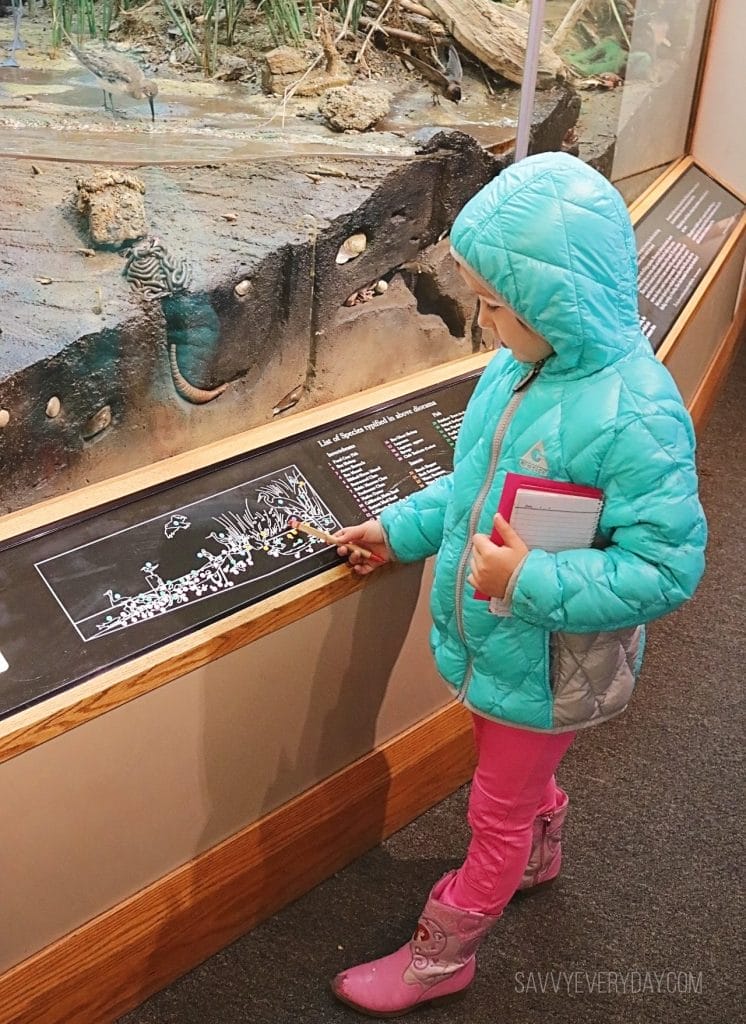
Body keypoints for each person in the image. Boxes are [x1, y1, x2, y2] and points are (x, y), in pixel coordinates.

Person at [330, 151, 707, 1018]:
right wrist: (396, 530)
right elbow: (470, 495)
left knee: (491, 813)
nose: (483, 320)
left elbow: (668, 567)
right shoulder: (516, 371)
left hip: (549, 664)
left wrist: (531, 578)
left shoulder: (639, 414)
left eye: (496, 305)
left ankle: (446, 951)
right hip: (502, 649)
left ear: (556, 304)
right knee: (515, 781)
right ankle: (541, 850)